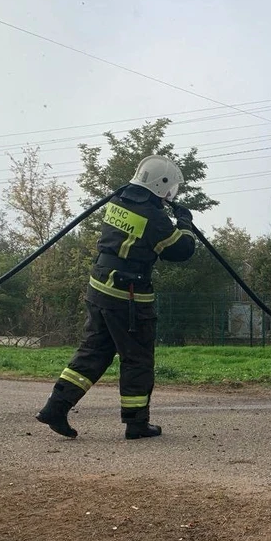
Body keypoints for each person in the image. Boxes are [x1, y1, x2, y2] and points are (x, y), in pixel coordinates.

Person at [36, 155, 196, 440]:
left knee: (94, 351)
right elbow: (181, 250)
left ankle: (55, 407)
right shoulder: (153, 217)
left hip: (100, 287)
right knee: (137, 358)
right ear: (161, 184)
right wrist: (184, 222)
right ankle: (136, 423)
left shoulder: (118, 200)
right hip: (128, 296)